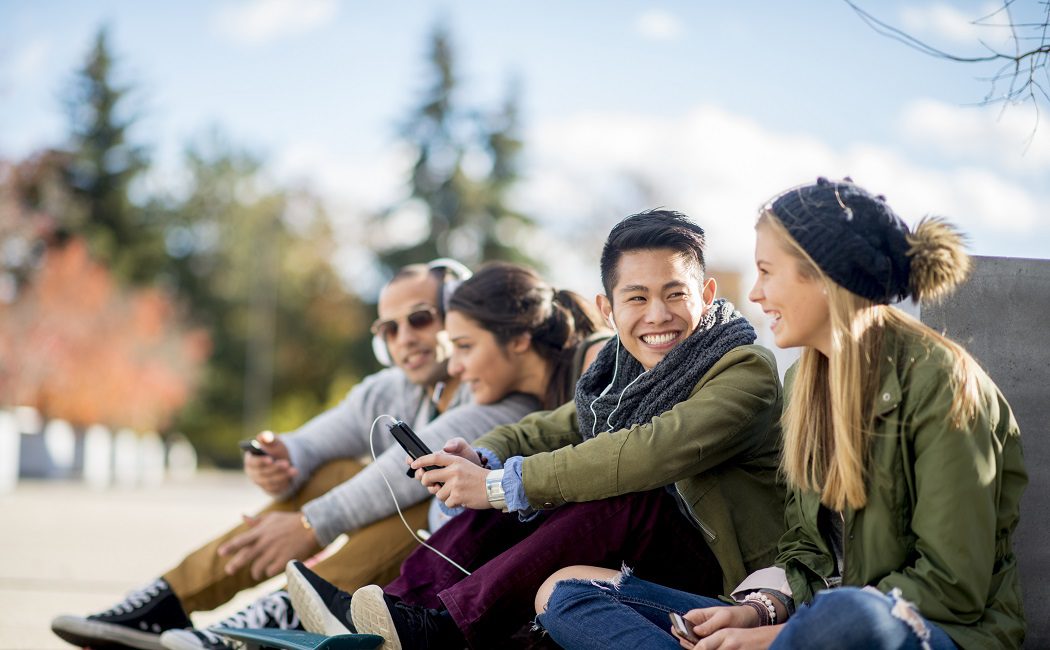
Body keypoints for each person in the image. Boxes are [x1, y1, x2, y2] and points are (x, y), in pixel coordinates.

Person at [535, 178, 1028, 650]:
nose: (754, 293)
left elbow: (951, 587)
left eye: (768, 272)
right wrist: (758, 610)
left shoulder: (942, 384)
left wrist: (773, 638)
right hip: (813, 622)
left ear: (824, 275)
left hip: (923, 631)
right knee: (569, 593)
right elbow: (807, 550)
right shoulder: (805, 383)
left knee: (848, 617)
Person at [287, 209, 786, 649]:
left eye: (675, 293)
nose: (658, 315)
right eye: (637, 298)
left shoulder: (744, 369)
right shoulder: (621, 370)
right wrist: (483, 456)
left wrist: (501, 486)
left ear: (707, 293)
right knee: (514, 482)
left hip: (725, 579)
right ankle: (394, 614)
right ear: (608, 308)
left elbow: (645, 453)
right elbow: (549, 428)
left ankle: (446, 632)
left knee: (609, 493)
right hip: (653, 551)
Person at [50, 260, 540, 650]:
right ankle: (171, 598)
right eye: (387, 329)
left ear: (455, 316)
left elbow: (400, 471)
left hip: (477, 559)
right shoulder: (389, 388)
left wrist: (309, 526)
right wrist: (281, 458)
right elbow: (313, 442)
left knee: (412, 489)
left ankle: (283, 614)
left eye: (418, 319)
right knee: (335, 469)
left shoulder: (496, 387)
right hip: (437, 551)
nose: (403, 338)